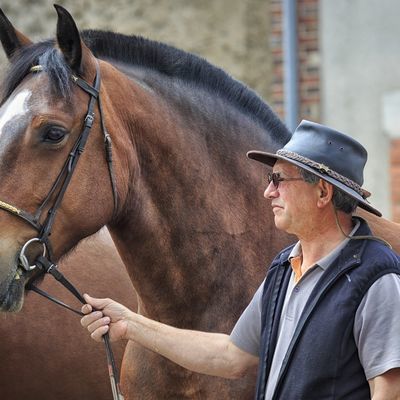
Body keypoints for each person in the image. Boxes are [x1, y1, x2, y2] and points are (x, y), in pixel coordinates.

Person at [81, 120, 400, 399]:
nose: (268, 192)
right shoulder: (283, 269)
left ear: (323, 194)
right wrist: (130, 324)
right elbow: (231, 356)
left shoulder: (376, 275)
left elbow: (390, 390)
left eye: (279, 180)